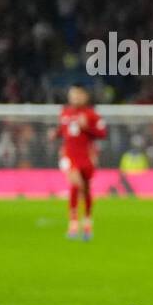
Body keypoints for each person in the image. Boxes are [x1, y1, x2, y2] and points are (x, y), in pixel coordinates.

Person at [56, 84, 106, 240]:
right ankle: (73, 224)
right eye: (73, 94)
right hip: (70, 157)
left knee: (86, 189)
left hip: (86, 157)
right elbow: (63, 131)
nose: (75, 97)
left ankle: (87, 222)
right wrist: (55, 134)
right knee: (76, 184)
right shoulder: (64, 113)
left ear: (85, 96)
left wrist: (87, 127)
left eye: (78, 94)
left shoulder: (92, 115)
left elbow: (102, 133)